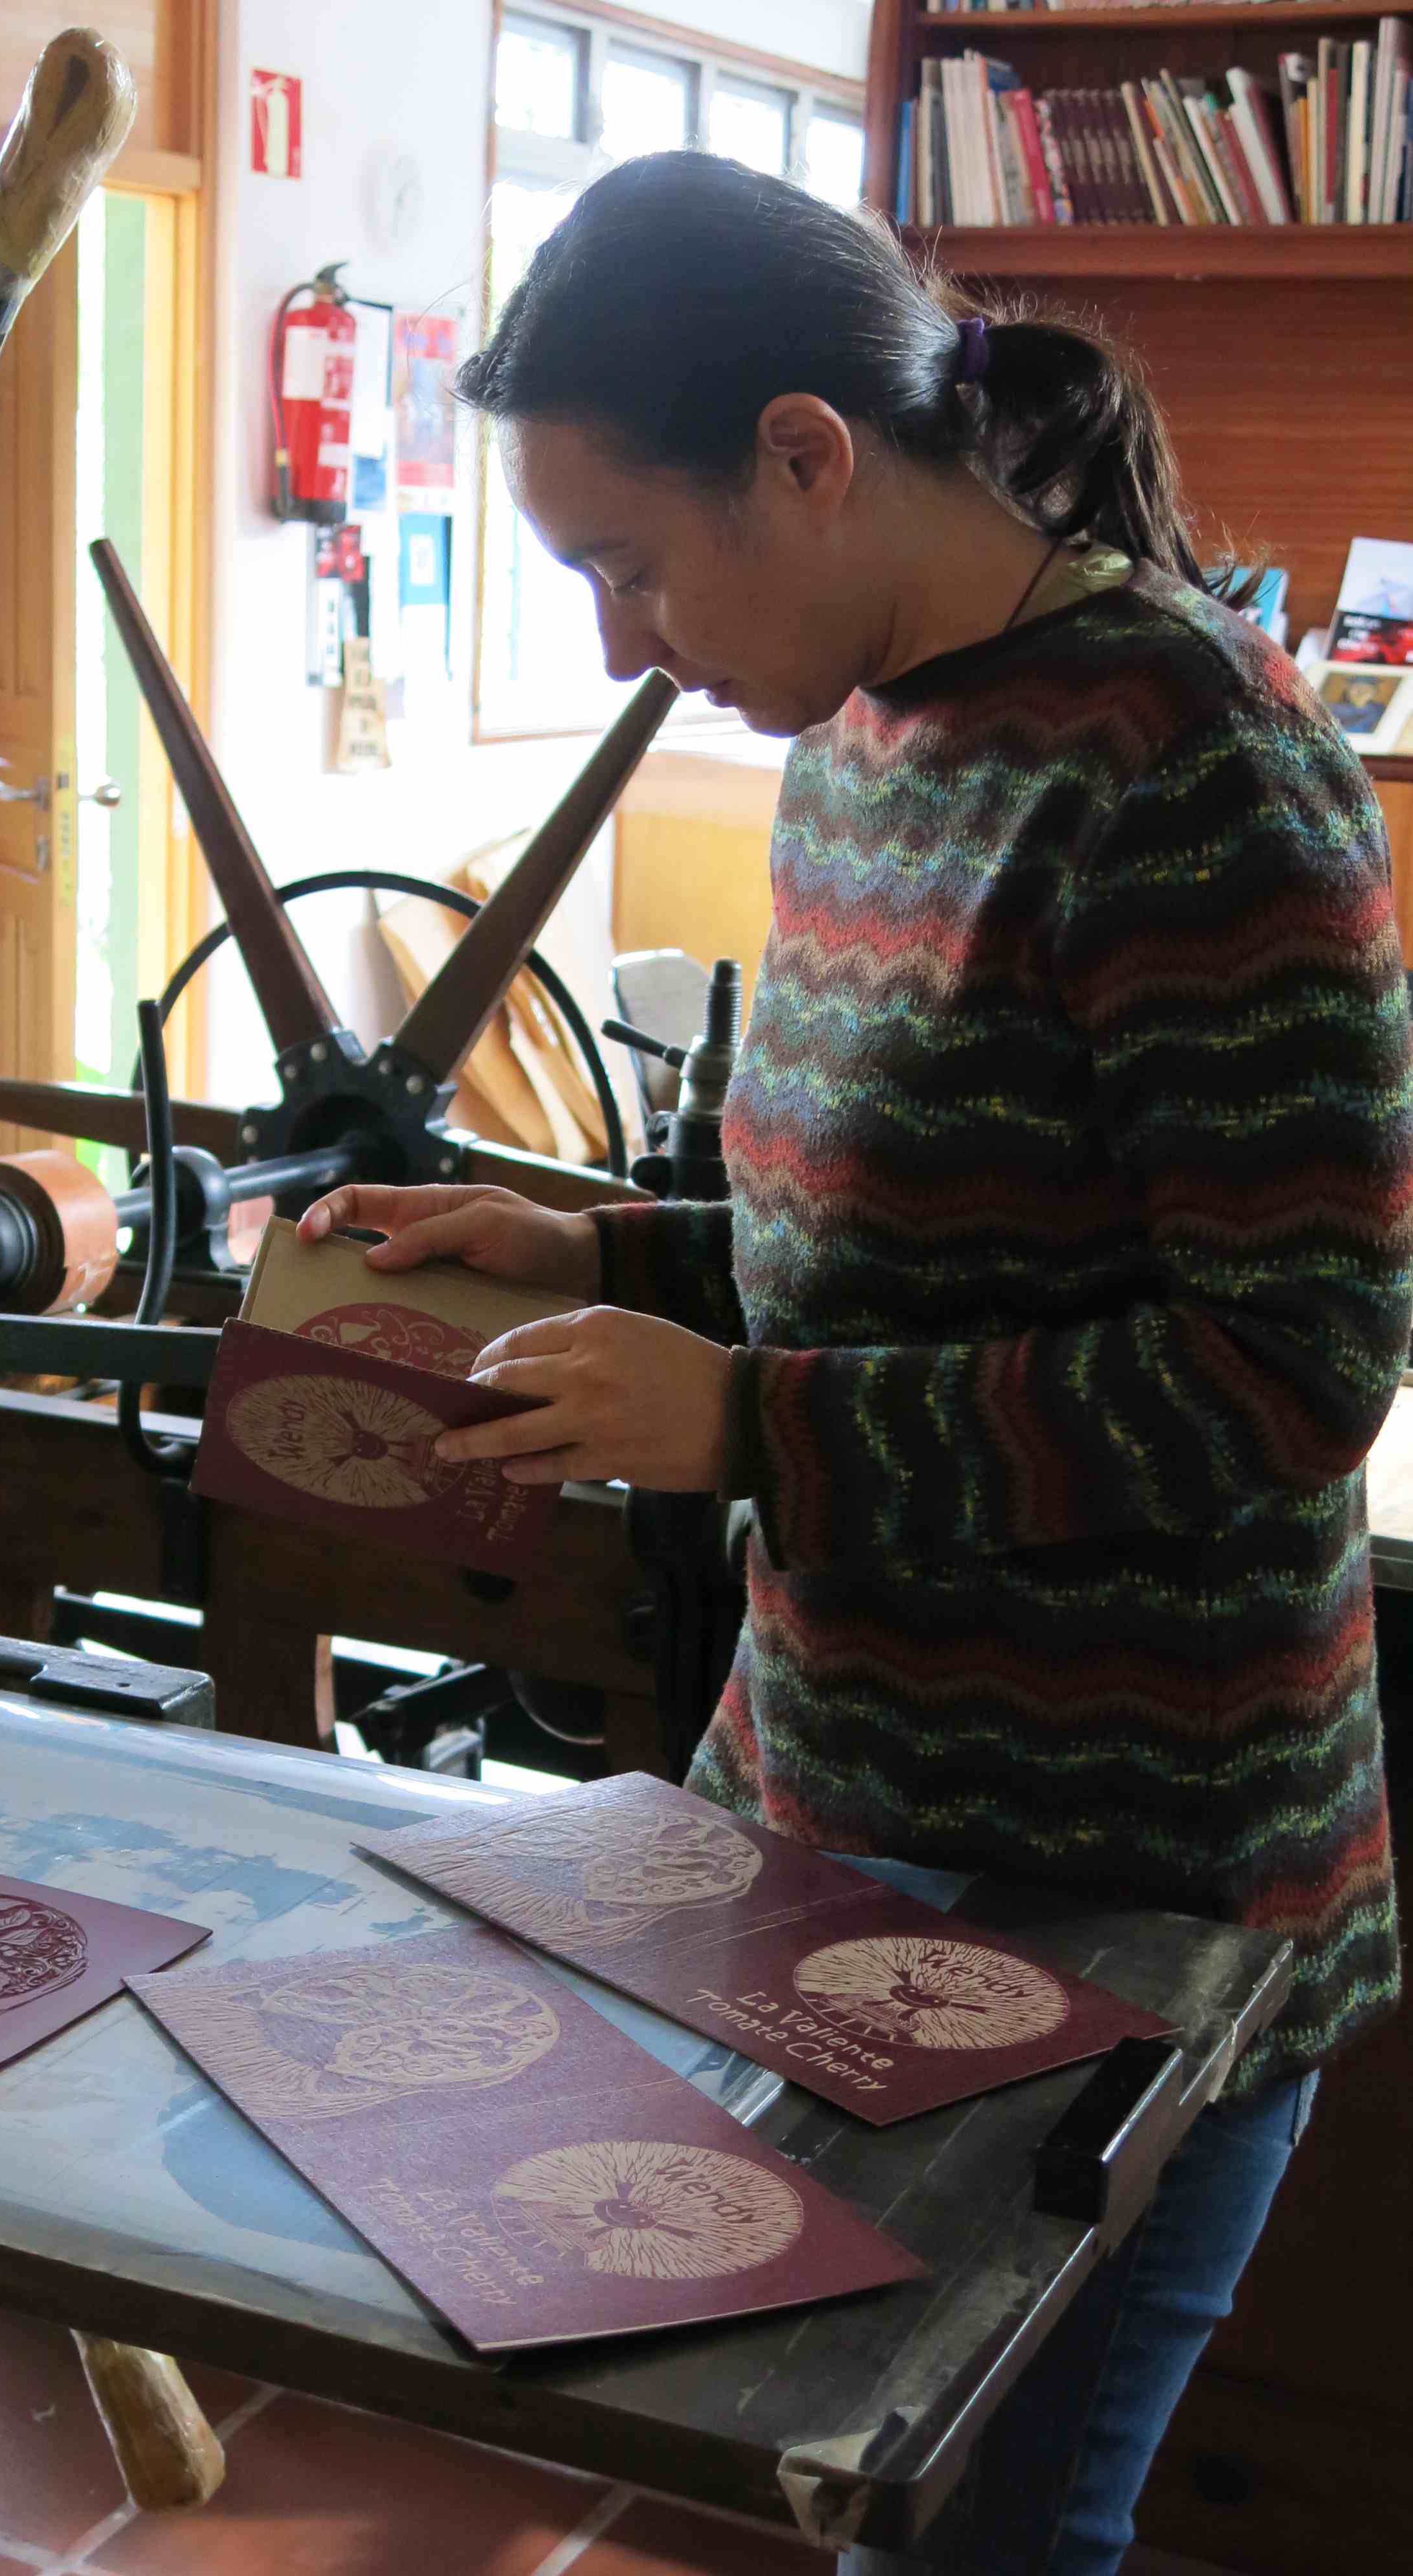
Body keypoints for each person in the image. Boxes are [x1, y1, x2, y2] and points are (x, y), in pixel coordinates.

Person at [297, 155, 1412, 2574]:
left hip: (1138, 1890)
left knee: (1006, 2533)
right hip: (849, 1807)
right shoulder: (862, 726)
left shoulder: (1201, 776)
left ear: (808, 453)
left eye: (630, 561)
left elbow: (1287, 1374)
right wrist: (594, 1237)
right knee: (850, 2501)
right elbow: (905, 1239)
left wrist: (748, 1427)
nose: (615, 644)